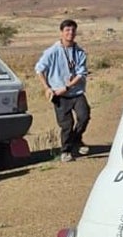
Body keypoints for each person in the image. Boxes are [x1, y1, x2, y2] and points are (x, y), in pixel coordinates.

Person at [35, 19, 90, 162]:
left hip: (75, 92)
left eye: (73, 30)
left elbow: (81, 73)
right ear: (61, 32)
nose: (70, 33)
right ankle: (65, 151)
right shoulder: (51, 52)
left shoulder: (80, 52)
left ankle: (76, 139)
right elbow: (39, 70)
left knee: (84, 116)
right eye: (67, 30)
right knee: (67, 124)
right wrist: (47, 88)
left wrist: (66, 87)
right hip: (59, 95)